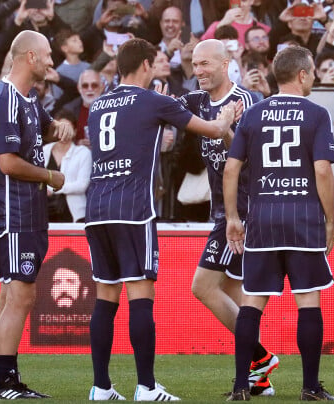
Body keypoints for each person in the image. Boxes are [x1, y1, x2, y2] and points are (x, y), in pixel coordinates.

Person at [85, 37, 235, 402]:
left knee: (106, 296)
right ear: (148, 65)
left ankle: (101, 387)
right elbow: (214, 131)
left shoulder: (97, 105)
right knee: (140, 294)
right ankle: (147, 387)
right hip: (133, 210)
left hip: (96, 209)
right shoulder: (154, 100)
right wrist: (228, 116)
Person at [224, 46, 334, 401]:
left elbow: (231, 168)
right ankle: (310, 387)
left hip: (263, 219)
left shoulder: (253, 114)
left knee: (251, 303)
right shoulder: (317, 113)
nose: (315, 77)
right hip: (303, 218)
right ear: (302, 74)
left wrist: (232, 217)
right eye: (314, 72)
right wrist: (330, 220)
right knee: (307, 302)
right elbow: (322, 169)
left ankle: (242, 386)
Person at [180, 39, 277, 397]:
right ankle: (259, 376)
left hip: (244, 211)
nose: (198, 70)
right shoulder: (196, 101)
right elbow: (166, 113)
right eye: (194, 63)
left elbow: (256, 159)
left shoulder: (249, 102)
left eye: (205, 63)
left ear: (226, 64)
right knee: (236, 294)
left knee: (202, 287)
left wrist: (225, 132)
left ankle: (261, 357)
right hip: (221, 212)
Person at [0, 30, 74, 400]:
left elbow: (39, 132)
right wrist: (51, 175)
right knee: (19, 296)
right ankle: (1, 381)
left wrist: (59, 128)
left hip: (27, 211)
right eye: (49, 54)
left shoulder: (29, 98)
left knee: (12, 295)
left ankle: (5, 378)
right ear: (31, 57)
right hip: (12, 212)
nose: (53, 62)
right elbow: (7, 161)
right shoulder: (5, 99)